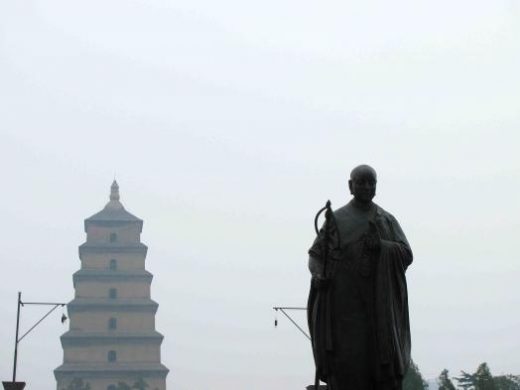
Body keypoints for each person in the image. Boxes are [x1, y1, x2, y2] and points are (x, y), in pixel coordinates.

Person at [307, 165, 412, 390]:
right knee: (347, 366)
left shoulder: (386, 220)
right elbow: (316, 255)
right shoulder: (337, 220)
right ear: (350, 186)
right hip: (344, 308)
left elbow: (406, 253)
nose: (366, 186)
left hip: (378, 307)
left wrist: (382, 246)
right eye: (361, 182)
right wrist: (318, 275)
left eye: (370, 182)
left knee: (382, 369)